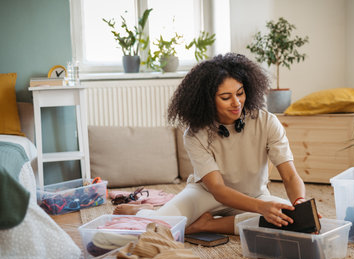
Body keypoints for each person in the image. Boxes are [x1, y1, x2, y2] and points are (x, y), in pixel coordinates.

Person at [114, 52, 308, 235]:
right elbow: (218, 189)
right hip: (206, 195)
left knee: (290, 222)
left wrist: (300, 204)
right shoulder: (194, 134)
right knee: (159, 228)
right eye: (226, 97)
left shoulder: (267, 122)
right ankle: (144, 211)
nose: (236, 103)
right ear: (207, 101)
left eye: (240, 93)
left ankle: (209, 224)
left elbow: (290, 177)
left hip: (255, 196)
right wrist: (261, 209)